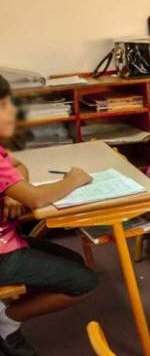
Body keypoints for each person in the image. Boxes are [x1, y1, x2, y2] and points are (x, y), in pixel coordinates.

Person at [0, 75, 98, 355]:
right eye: (5, 105)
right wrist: (74, 179)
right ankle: (7, 320)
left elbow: (17, 164)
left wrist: (11, 190)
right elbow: (38, 198)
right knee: (85, 282)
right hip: (3, 255)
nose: (13, 112)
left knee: (72, 260)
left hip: (8, 240)